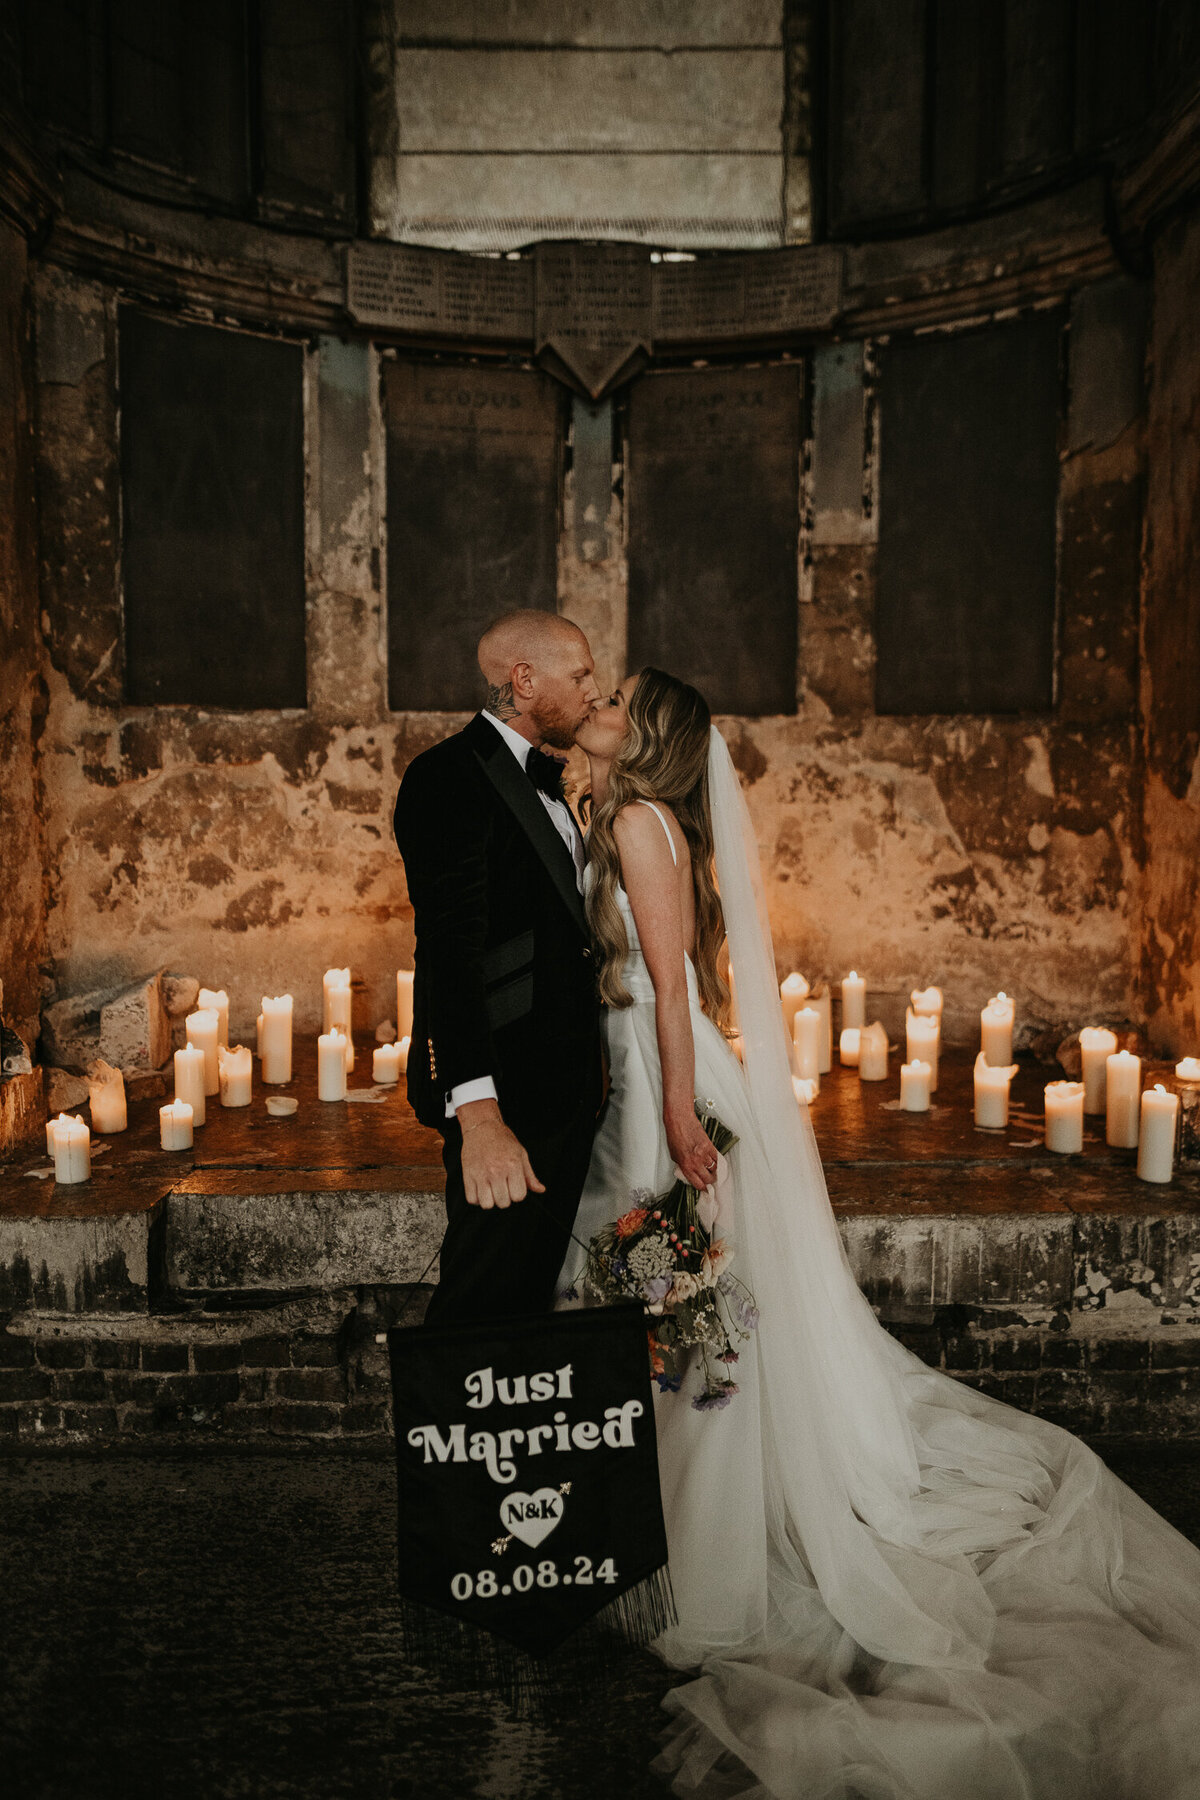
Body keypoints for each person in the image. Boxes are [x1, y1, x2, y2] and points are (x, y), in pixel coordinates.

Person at [560, 666, 1200, 1800]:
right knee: (669, 1303)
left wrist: (671, 1121)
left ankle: (704, 1564)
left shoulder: (648, 828)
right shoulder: (620, 813)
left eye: (614, 699)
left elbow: (668, 990)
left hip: (664, 1095)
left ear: (647, 736)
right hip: (629, 1090)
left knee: (692, 1307)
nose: (596, 702)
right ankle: (665, 1513)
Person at [393, 609, 602, 1325]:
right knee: (482, 1300)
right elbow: (449, 956)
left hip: (568, 1089)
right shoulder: (447, 778)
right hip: (507, 1091)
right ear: (524, 679)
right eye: (578, 675)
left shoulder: (550, 783)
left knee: (532, 1297)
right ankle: (455, 1436)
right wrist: (480, 1117)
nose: (590, 690)